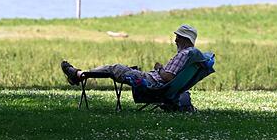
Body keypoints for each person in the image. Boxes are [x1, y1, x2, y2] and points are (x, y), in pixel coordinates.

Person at [61, 24, 198, 88]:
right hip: (150, 79)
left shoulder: (183, 54)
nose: (175, 40)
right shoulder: (190, 55)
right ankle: (79, 75)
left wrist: (160, 68)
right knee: (124, 69)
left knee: (113, 68)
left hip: (150, 82)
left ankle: (78, 75)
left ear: (185, 39)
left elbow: (168, 77)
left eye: (178, 37)